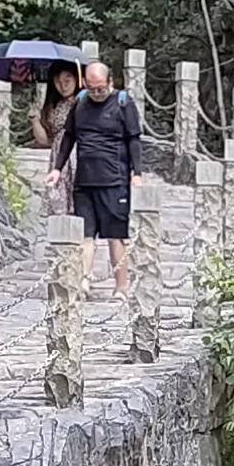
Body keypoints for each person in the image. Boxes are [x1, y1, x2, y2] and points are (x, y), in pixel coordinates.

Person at [55, 57, 141, 295]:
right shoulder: (81, 103)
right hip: (84, 180)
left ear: (110, 82)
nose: (96, 93)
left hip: (114, 180)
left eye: (101, 89)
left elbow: (134, 140)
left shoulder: (123, 103)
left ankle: (121, 287)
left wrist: (137, 173)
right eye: (91, 89)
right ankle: (83, 282)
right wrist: (56, 168)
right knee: (85, 236)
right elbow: (69, 137)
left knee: (116, 236)